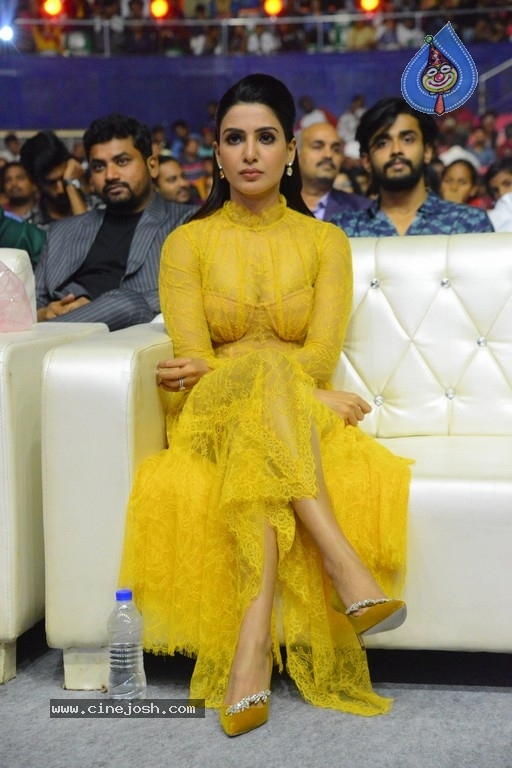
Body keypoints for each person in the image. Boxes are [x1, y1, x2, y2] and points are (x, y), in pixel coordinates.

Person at [119, 74, 411, 737]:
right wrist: (303, 390)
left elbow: (319, 355)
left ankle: (250, 647)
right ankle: (345, 568)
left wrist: (287, 382)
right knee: (268, 377)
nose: (250, 153)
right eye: (234, 139)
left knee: (269, 398)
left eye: (266, 137)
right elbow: (191, 360)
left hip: (288, 415)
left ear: (290, 152)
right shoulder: (187, 243)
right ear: (217, 155)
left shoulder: (325, 243)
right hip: (210, 413)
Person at [36, 113, 193, 330]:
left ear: (152, 166)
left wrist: (94, 309)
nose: (110, 175)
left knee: (125, 303)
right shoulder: (61, 232)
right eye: (99, 167)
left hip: (129, 334)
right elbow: (29, 304)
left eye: (122, 161)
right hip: (53, 339)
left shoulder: (187, 222)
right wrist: (44, 313)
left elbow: (189, 292)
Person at [331, 97, 494, 236]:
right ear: (366, 160)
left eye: (407, 140)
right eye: (382, 143)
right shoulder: (344, 229)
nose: (396, 150)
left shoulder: (469, 223)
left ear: (427, 151)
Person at [297, 122, 370, 220]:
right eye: (318, 146)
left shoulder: (363, 210)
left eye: (336, 149)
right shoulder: (278, 203)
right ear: (295, 153)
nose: (329, 155)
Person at [19, 131, 89, 229]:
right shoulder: (30, 227)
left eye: (63, 178)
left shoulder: (99, 207)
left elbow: (90, 233)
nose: (60, 189)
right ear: (35, 182)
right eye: (51, 183)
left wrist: (71, 185)